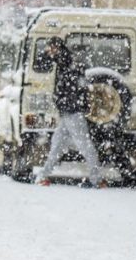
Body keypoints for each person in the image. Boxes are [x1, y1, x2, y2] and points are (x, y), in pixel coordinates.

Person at [33, 37, 104, 188]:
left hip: (73, 111)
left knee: (84, 145)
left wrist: (48, 54)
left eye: (50, 48)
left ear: (56, 48)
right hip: (68, 112)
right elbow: (43, 63)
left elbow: (43, 64)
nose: (49, 51)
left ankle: (96, 180)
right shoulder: (66, 60)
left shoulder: (65, 60)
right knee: (57, 144)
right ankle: (42, 176)